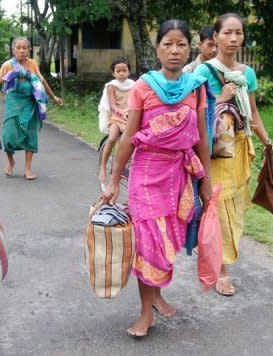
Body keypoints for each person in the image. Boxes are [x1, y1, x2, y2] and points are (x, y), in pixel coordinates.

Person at [102, 19, 213, 337]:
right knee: (147, 243)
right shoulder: (143, 87)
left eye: (181, 44)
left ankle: (157, 295)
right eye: (168, 44)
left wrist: (205, 180)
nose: (175, 51)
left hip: (178, 176)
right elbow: (128, 137)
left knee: (166, 241)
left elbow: (202, 138)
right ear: (157, 48)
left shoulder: (196, 87)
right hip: (146, 175)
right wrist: (113, 181)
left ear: (189, 48)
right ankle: (145, 313)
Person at [193, 13, 271, 296]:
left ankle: (219, 257)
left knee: (235, 207)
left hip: (238, 148)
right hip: (214, 151)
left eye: (238, 33)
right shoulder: (203, 72)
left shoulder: (247, 73)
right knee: (218, 207)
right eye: (227, 32)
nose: (234, 38)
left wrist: (269, 143)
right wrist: (222, 98)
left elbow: (253, 114)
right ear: (215, 37)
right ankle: (221, 268)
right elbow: (194, 114)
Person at [0, 37, 63, 180]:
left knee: (30, 136)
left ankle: (27, 169)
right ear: (13, 49)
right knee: (8, 136)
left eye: (24, 48)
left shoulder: (32, 64)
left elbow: (42, 81)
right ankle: (11, 161)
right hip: (13, 103)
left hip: (30, 104)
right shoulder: (7, 66)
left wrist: (53, 97)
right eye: (18, 47)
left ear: (29, 50)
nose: (21, 50)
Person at [97, 56, 135, 189]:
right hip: (116, 117)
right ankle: (102, 167)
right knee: (112, 138)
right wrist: (121, 112)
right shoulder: (111, 86)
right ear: (113, 73)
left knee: (132, 141)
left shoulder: (134, 86)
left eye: (124, 70)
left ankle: (127, 164)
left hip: (130, 117)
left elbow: (135, 103)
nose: (121, 73)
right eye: (118, 71)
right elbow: (113, 105)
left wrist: (129, 112)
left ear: (129, 71)